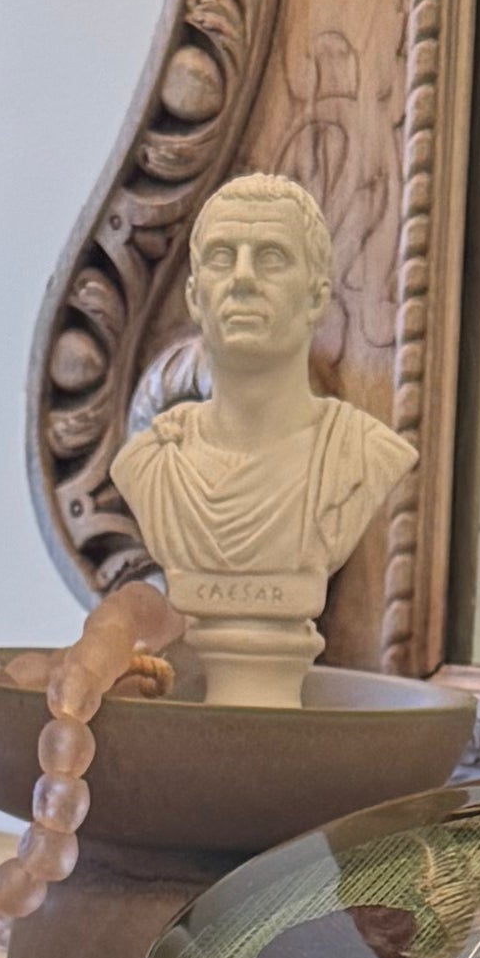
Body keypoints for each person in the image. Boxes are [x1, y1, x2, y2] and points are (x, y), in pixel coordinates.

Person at [108, 175, 417, 703]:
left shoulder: (361, 455)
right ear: (195, 297)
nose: (243, 279)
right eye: (222, 257)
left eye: (271, 258)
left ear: (317, 297)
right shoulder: (151, 465)